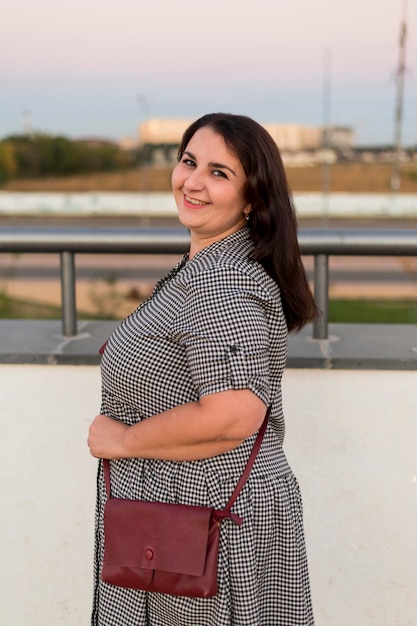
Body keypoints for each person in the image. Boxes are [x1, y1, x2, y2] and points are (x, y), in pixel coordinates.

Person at [88, 113, 317, 625]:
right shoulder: (205, 266)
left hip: (200, 516)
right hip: (186, 513)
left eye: (219, 173)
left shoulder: (222, 282)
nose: (192, 181)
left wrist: (122, 442)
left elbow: (233, 415)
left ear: (252, 197)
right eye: (189, 162)